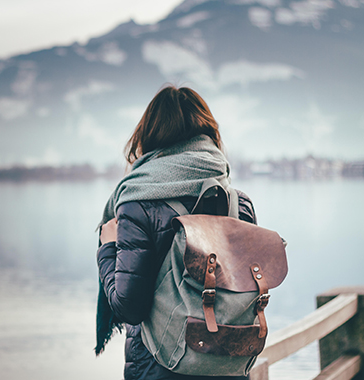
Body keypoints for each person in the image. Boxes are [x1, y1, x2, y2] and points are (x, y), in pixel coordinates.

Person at [95, 85, 257, 380]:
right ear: (207, 134)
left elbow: (129, 308)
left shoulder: (138, 204)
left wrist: (108, 248)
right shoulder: (237, 202)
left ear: (149, 136)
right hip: (229, 362)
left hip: (162, 366)